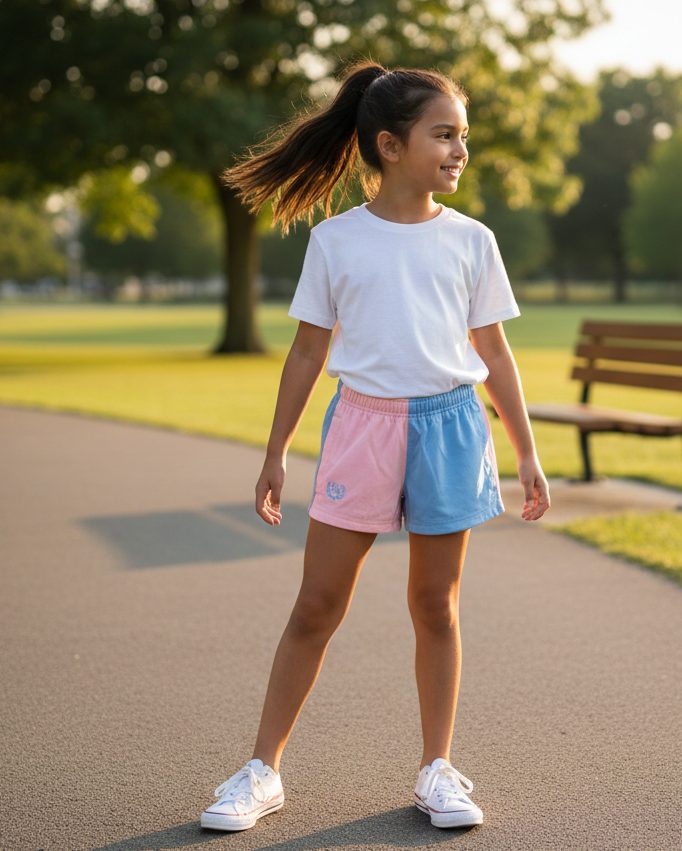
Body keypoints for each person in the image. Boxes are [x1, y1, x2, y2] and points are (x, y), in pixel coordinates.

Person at [200, 60, 550, 834]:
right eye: (444, 135)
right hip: (362, 426)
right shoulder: (335, 240)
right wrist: (274, 453)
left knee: (436, 604)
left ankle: (436, 770)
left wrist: (525, 450)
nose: (460, 150)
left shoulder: (472, 240)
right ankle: (262, 771)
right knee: (317, 603)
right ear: (390, 145)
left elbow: (494, 353)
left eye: (464, 136)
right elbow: (304, 355)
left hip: (452, 425)